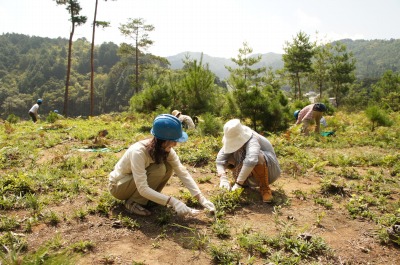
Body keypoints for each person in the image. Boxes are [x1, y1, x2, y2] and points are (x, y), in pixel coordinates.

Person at [108, 114, 215, 216]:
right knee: (159, 169)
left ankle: (148, 200)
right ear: (162, 141)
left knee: (168, 167)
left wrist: (201, 198)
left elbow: (182, 172)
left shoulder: (166, 150)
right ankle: (132, 202)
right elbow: (142, 188)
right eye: (173, 141)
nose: (175, 144)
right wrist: (173, 202)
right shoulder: (139, 152)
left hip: (132, 184)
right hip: (119, 187)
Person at [216, 119, 281, 203]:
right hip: (249, 171)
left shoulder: (252, 139)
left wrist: (238, 184)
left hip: (270, 170)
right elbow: (220, 160)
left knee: (257, 156)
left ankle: (265, 188)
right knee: (228, 156)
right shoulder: (233, 135)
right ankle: (244, 182)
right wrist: (223, 178)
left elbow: (251, 160)